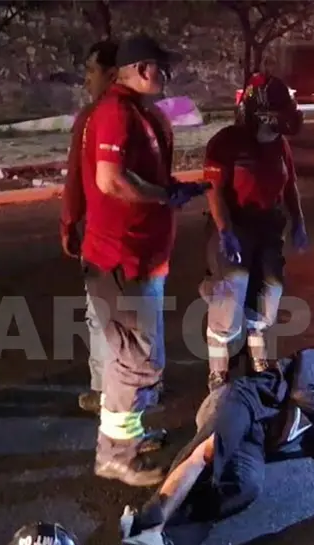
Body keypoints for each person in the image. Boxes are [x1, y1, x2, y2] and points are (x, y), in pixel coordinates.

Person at [82, 33, 207, 486]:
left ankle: (127, 438)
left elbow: (141, 176)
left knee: (138, 355)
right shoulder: (116, 112)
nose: (165, 75)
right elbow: (110, 180)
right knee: (137, 359)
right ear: (137, 69)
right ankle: (114, 454)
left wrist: (172, 190)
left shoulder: (138, 113)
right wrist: (164, 196)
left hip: (141, 257)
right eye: (158, 66)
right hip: (123, 260)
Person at [118, 348, 314, 545]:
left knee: (245, 486)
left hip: (255, 438)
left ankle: (166, 540)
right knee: (211, 451)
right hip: (240, 401)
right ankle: (148, 524)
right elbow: (300, 394)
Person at [201, 72, 308, 392]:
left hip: (268, 229)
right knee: (229, 300)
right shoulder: (225, 143)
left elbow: (290, 186)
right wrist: (225, 232)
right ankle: (218, 371)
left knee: (268, 296)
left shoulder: (280, 144)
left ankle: (259, 360)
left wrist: (299, 222)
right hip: (236, 226)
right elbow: (214, 191)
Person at [60, 40, 118, 415]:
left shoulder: (92, 119)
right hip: (144, 245)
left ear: (112, 74)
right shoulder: (151, 117)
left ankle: (105, 392)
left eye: (91, 72)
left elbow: (77, 178)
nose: (87, 81)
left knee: (100, 317)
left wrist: (69, 223)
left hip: (103, 239)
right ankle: (138, 386)